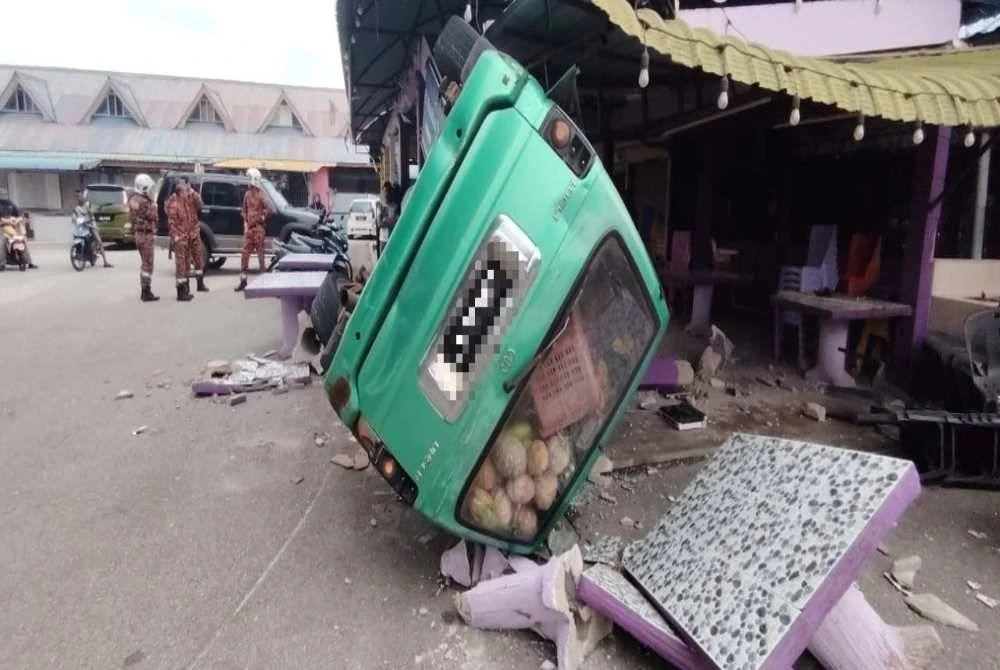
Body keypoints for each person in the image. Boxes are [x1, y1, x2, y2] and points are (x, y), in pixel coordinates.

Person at [234, 168, 274, 291]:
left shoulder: (261, 195)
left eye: (249, 178)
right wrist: (245, 222)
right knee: (245, 255)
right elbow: (244, 210)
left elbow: (270, 209)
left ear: (254, 179)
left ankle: (264, 282)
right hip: (250, 230)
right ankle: (243, 280)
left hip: (258, 229)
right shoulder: (247, 194)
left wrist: (262, 217)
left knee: (261, 256)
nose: (247, 181)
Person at [129, 174, 159, 302]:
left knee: (144, 263)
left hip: (138, 233)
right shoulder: (145, 202)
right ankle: (146, 292)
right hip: (146, 234)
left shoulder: (133, 199)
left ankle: (145, 290)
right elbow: (153, 216)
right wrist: (154, 205)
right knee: (147, 264)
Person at [165, 183, 194, 302]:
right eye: (185, 192)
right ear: (180, 193)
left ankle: (186, 290)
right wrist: (175, 237)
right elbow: (171, 223)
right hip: (179, 240)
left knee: (186, 264)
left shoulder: (184, 205)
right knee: (180, 265)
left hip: (186, 238)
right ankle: (180, 292)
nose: (187, 193)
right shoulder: (175, 206)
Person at [181, 177, 208, 292]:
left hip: (194, 231)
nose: (181, 186)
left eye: (183, 184)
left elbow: (200, 206)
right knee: (186, 259)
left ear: (188, 184)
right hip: (184, 232)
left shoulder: (194, 196)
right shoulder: (178, 197)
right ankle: (186, 285)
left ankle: (200, 283)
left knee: (198, 257)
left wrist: (192, 194)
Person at [72, 189, 113, 268]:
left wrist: (90, 221)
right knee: (75, 236)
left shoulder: (87, 204)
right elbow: (74, 217)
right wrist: (74, 220)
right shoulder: (76, 208)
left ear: (83, 195)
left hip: (90, 224)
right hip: (82, 225)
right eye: (77, 196)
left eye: (79, 196)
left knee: (99, 241)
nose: (78, 198)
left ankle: (105, 261)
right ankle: (79, 253)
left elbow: (91, 214)